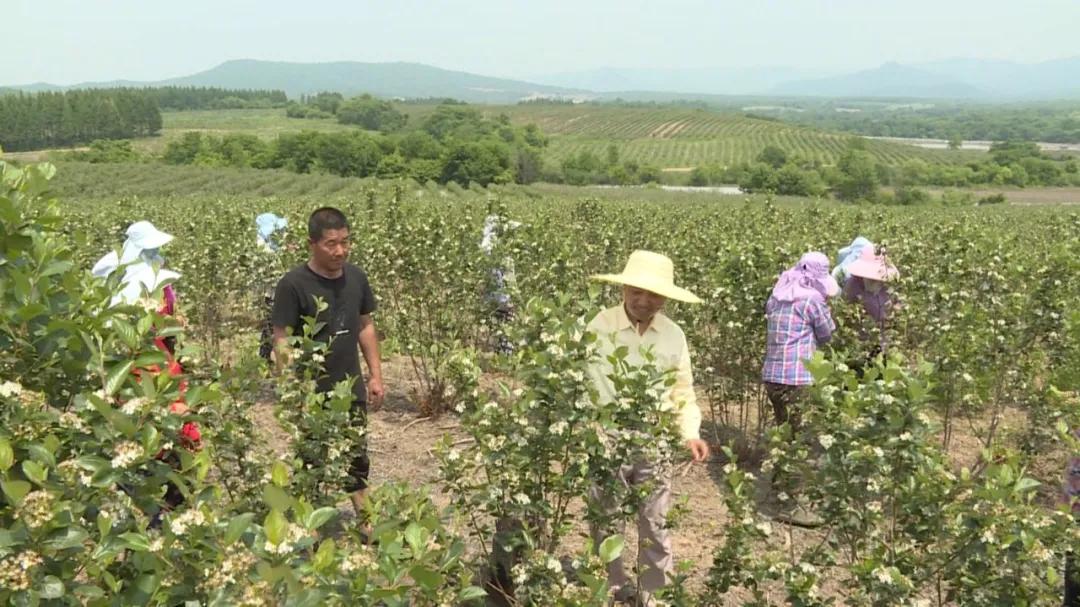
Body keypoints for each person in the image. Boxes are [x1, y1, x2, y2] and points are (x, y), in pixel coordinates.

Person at [586, 250, 709, 605]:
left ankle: (655, 595)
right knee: (606, 519)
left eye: (653, 294)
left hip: (653, 437)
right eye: (636, 291)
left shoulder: (673, 335)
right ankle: (608, 588)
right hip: (605, 434)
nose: (643, 300)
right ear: (623, 288)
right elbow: (578, 377)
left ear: (665, 297)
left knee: (655, 521)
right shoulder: (600, 325)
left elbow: (682, 391)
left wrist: (690, 432)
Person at [270, 207, 384, 517]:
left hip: (350, 387)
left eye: (345, 242)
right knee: (312, 462)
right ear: (312, 243)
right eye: (331, 244)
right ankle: (310, 526)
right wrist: (292, 391)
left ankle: (366, 522)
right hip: (312, 392)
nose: (340, 251)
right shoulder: (292, 284)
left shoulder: (357, 278)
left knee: (357, 457)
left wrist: (375, 375)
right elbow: (282, 337)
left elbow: (365, 325)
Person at [761, 251, 839, 432]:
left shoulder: (775, 297)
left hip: (772, 377)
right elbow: (826, 334)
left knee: (785, 428)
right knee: (802, 434)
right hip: (798, 378)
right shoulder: (812, 299)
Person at [480, 212, 521, 354]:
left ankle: (496, 356)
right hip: (503, 300)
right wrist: (515, 299)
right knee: (506, 332)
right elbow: (510, 280)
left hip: (490, 300)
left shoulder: (485, 250)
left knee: (494, 331)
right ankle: (504, 358)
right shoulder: (504, 254)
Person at [256, 213, 289, 360]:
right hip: (273, 295)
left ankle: (266, 358)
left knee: (272, 328)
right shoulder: (264, 250)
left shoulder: (272, 246)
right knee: (273, 328)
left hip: (275, 294)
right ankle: (266, 359)